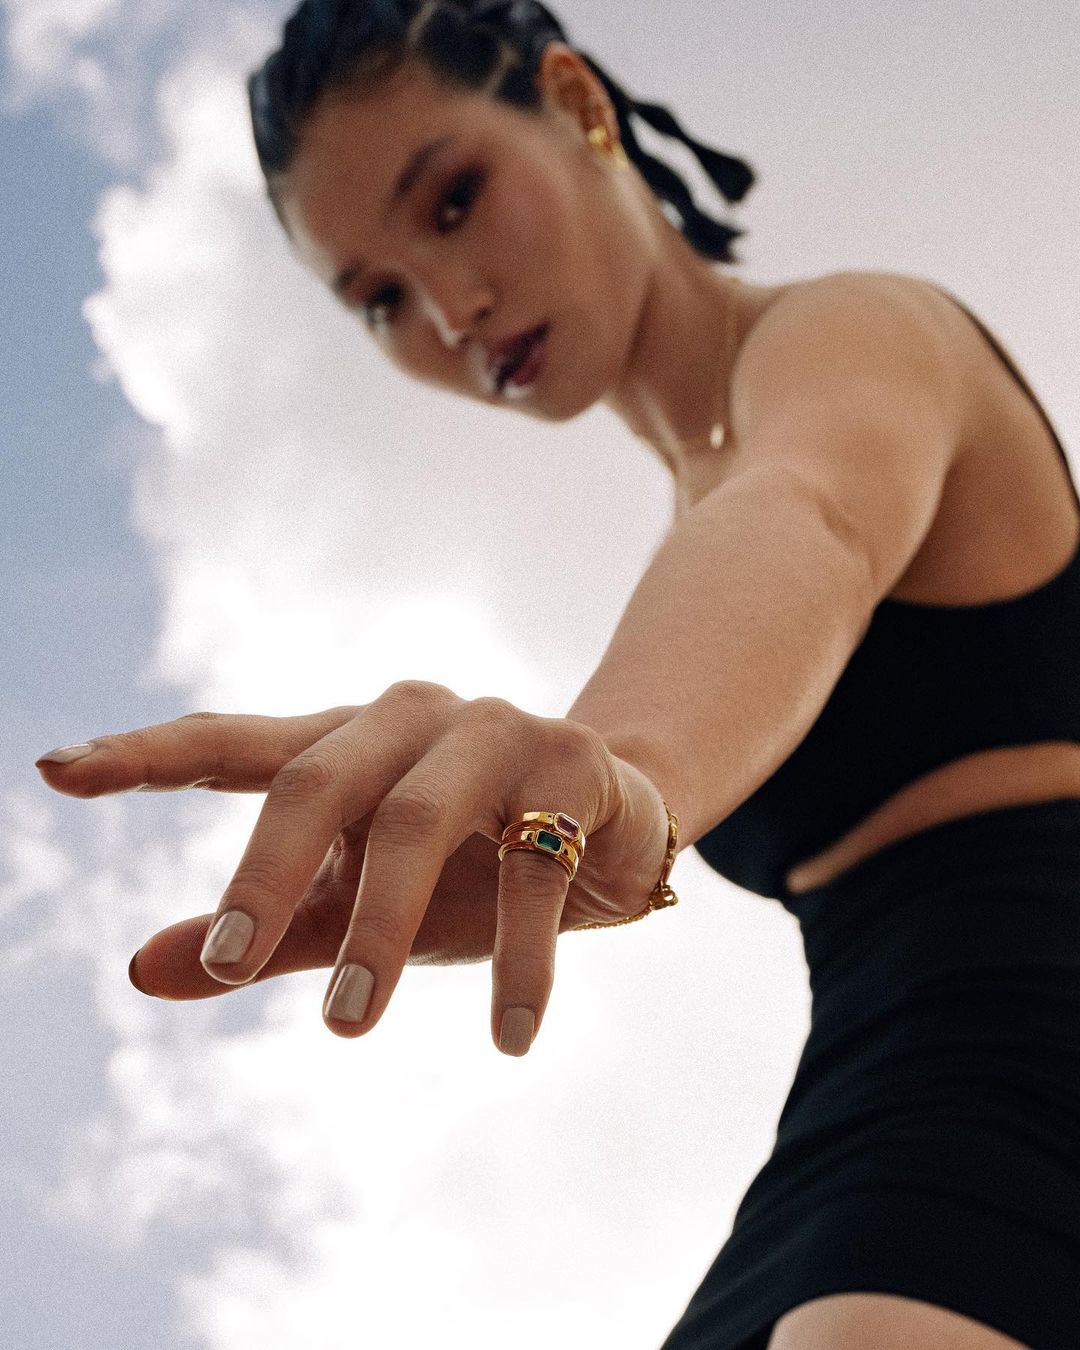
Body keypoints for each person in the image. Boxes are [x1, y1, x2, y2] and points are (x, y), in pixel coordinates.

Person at [34, 2, 1080, 1347]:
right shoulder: (692, 522)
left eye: (454, 201)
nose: (450, 309)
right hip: (858, 1115)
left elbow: (811, 513)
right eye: (381, 299)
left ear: (578, 103)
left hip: (1024, 1058)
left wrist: (624, 776)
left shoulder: (857, 334)